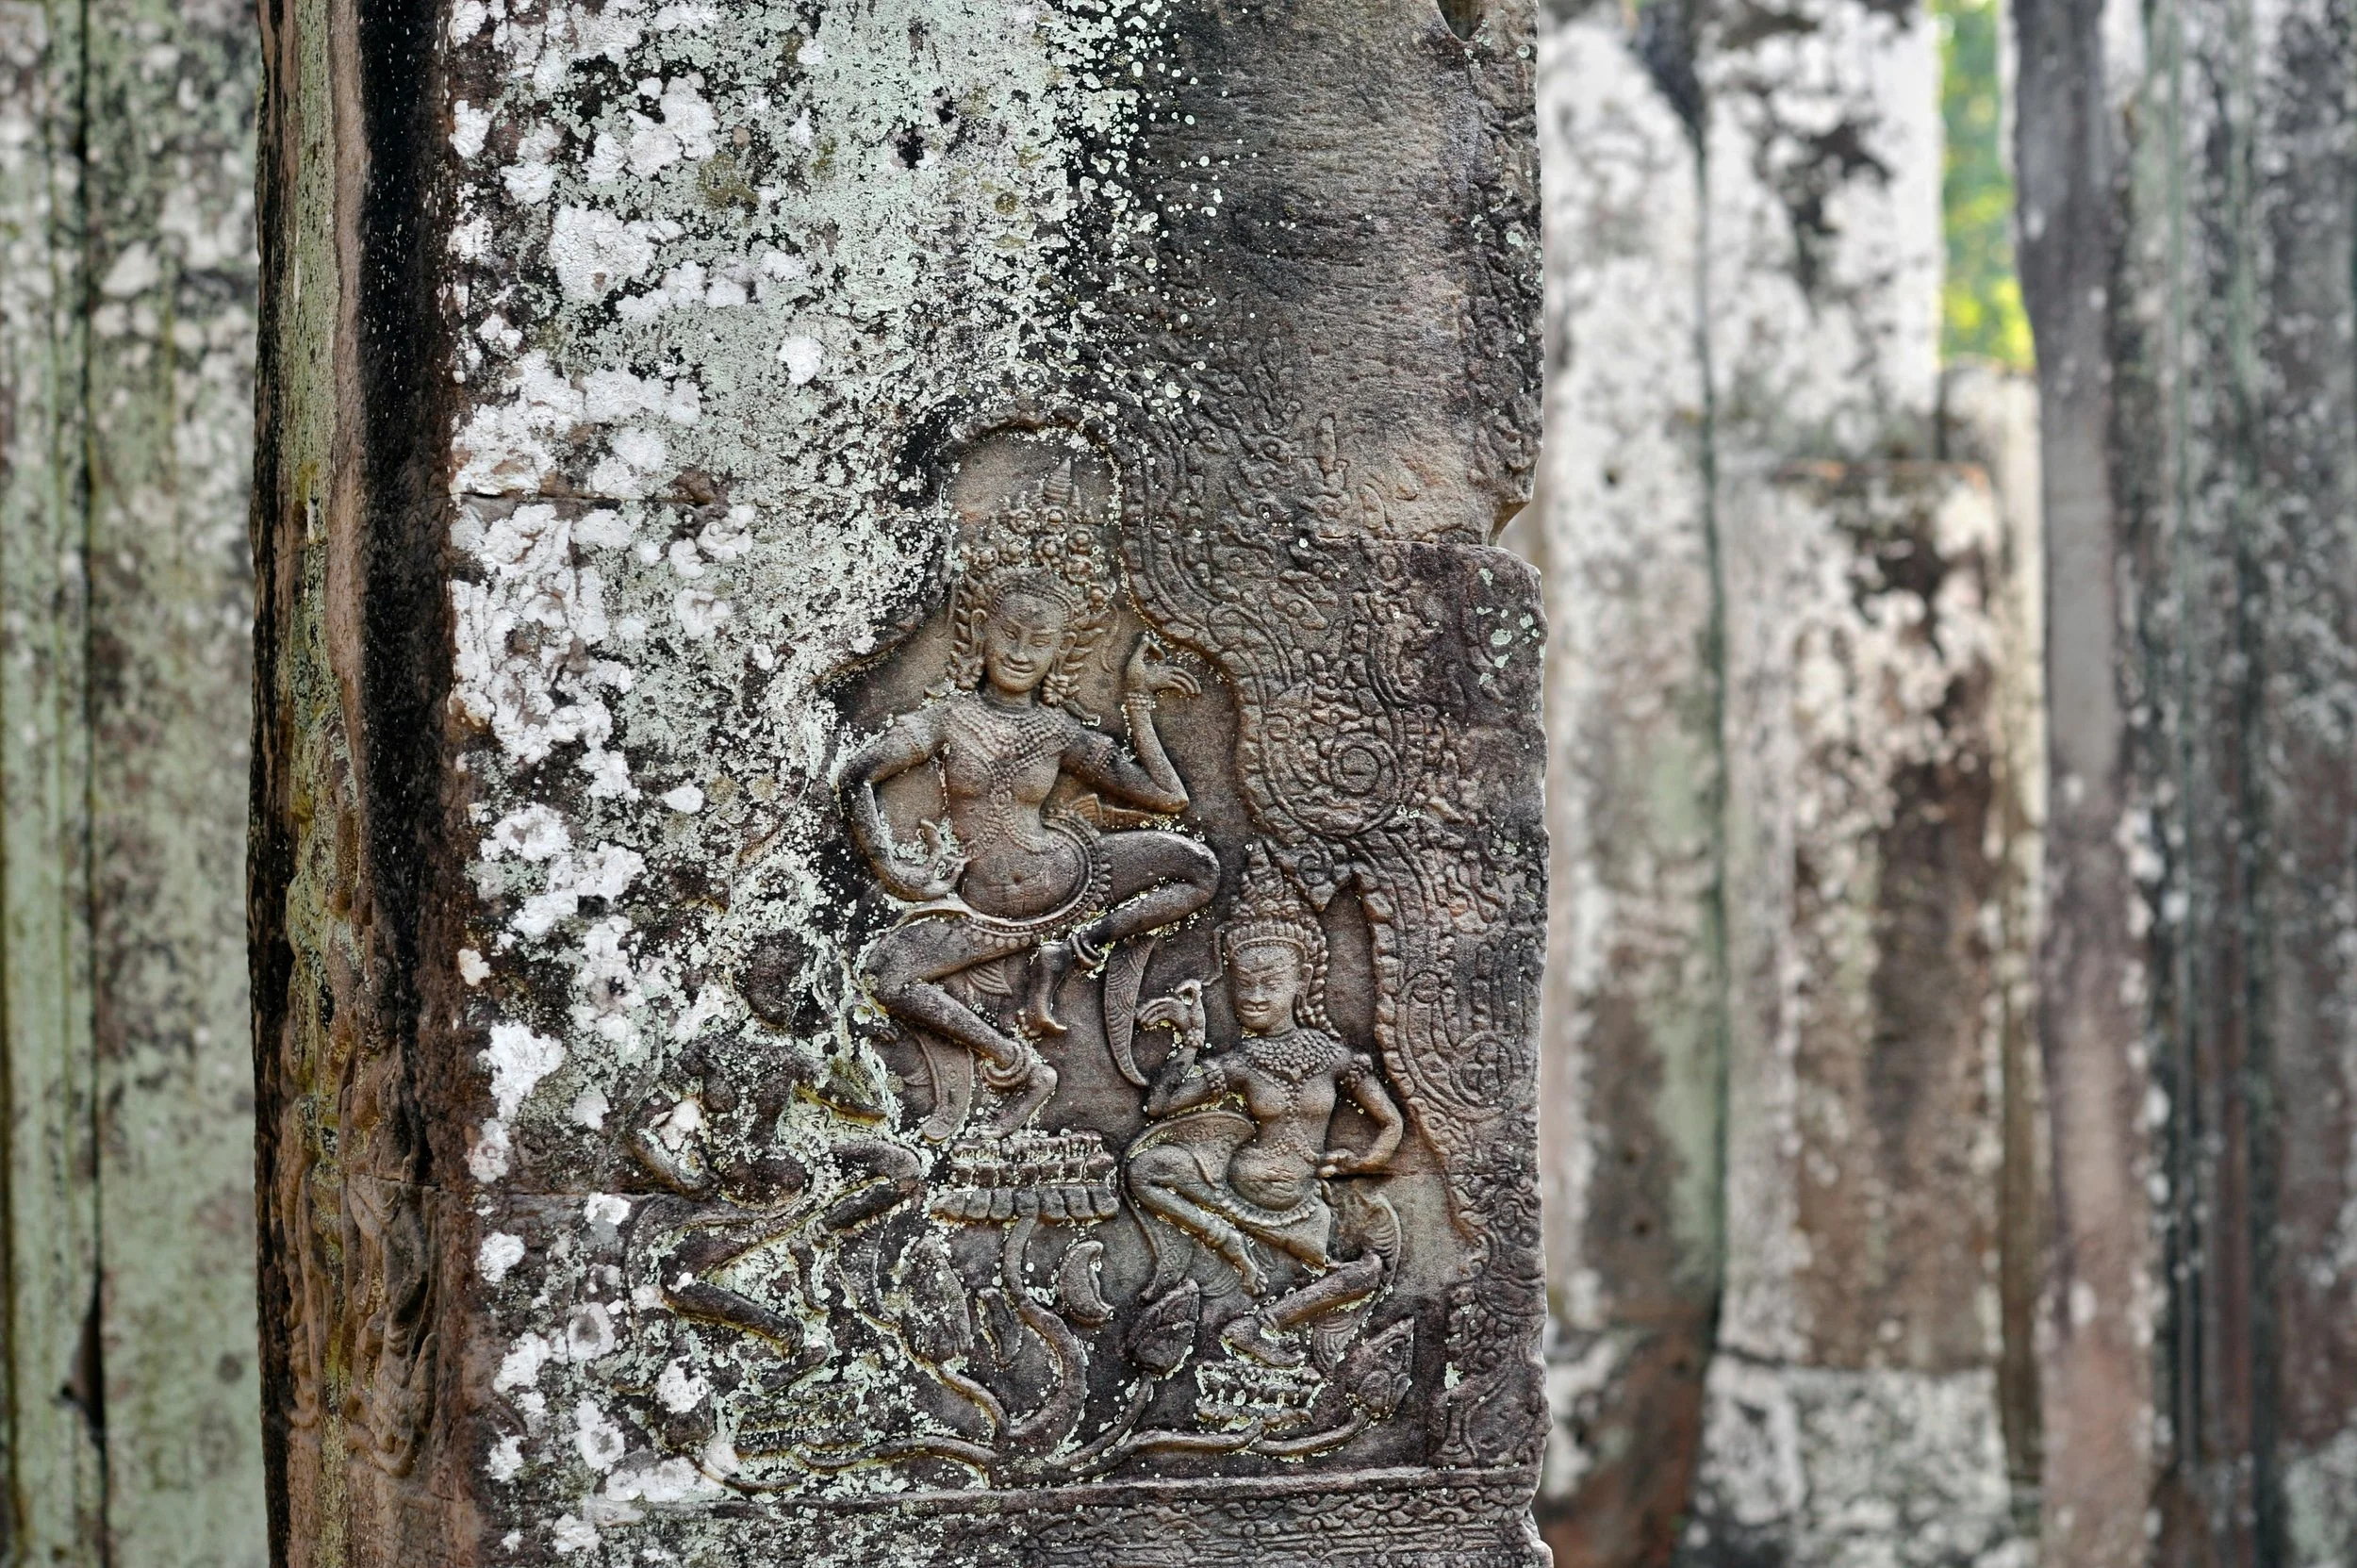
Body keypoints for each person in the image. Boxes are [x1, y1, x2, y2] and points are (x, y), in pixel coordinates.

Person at [838, 474, 1219, 1137]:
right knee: (888, 971)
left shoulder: (1060, 731)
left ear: (1059, 653)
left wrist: (1137, 701)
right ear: (982, 631)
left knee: (1198, 868)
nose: (1019, 652)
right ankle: (1017, 1062)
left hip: (1067, 878)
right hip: (981, 906)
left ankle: (1072, 952)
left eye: (1038, 643)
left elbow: (1167, 797)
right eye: (1009, 633)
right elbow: (859, 774)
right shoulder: (948, 719)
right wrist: (895, 869)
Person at [1126, 861, 1405, 1366]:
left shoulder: (1335, 1058)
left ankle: (1259, 1326)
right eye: (1243, 984)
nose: (1254, 997)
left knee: (1370, 1269)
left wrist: (1363, 1162)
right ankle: (1222, 1237)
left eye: (1269, 982)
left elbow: (1391, 1123)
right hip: (1232, 1194)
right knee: (1144, 1169)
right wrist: (1189, 1040)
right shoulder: (1243, 1061)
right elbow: (1160, 1105)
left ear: (1302, 981)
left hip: (1301, 1207)